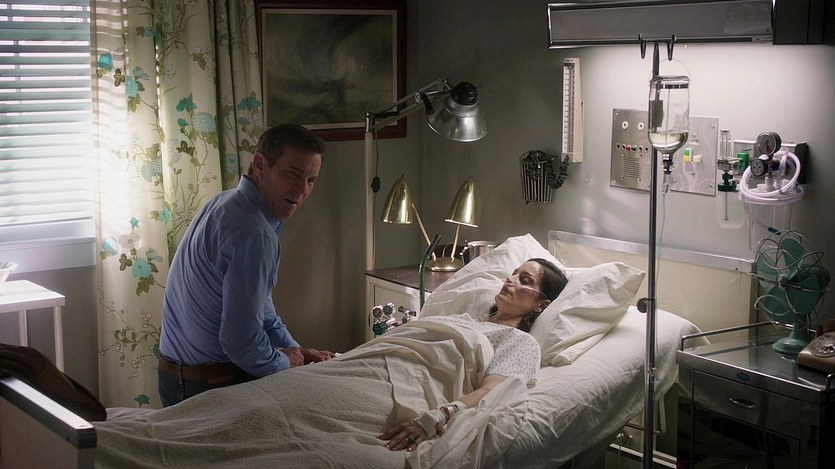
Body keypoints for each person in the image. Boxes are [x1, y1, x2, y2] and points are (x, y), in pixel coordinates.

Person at [157, 123, 335, 407]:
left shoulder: (224, 202)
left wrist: (296, 352)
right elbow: (241, 343)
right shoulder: (255, 233)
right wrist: (287, 363)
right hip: (207, 385)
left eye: (311, 180)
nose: (302, 190)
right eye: (293, 174)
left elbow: (261, 311)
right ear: (260, 165)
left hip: (175, 376)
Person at [378, 258, 568, 451]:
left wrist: (437, 417)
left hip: (402, 383)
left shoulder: (520, 341)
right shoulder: (463, 320)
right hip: (382, 359)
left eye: (525, 280)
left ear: (541, 305)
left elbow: (490, 392)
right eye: (514, 273)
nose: (511, 279)